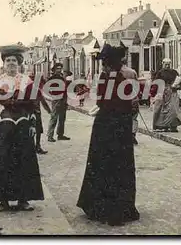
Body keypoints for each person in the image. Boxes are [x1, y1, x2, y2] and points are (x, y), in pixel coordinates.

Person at [0, 44, 44, 211]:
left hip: (23, 122)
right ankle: (2, 200)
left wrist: (34, 124)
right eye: (8, 60)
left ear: (19, 63)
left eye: (14, 60)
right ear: (3, 63)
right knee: (2, 159)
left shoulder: (27, 81)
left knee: (24, 159)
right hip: (4, 124)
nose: (11, 63)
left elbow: (34, 105)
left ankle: (23, 200)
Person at [77, 44, 139, 226]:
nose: (103, 66)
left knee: (103, 165)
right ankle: (119, 207)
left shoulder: (107, 78)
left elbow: (102, 101)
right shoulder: (120, 78)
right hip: (120, 128)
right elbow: (130, 104)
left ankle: (102, 207)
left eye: (105, 63)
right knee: (120, 166)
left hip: (105, 127)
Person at [152, 58, 181, 132]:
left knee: (173, 110)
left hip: (172, 92)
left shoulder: (174, 72)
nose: (167, 66)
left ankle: (173, 126)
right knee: (160, 109)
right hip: (162, 92)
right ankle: (162, 126)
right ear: (163, 64)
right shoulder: (160, 73)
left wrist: (176, 86)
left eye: (169, 64)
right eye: (166, 64)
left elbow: (180, 84)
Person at [46, 63, 71, 142]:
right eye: (57, 68)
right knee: (54, 117)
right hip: (56, 99)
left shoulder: (62, 77)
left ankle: (60, 134)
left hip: (63, 99)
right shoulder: (52, 78)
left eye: (60, 68)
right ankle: (50, 136)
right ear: (54, 69)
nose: (59, 70)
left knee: (62, 118)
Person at [29, 72, 51, 154]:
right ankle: (35, 147)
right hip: (32, 113)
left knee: (37, 130)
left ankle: (37, 147)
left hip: (34, 113)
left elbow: (43, 101)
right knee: (34, 131)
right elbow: (43, 102)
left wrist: (49, 110)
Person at [120, 55, 140, 145]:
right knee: (134, 118)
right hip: (133, 98)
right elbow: (137, 85)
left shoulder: (116, 72)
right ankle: (132, 133)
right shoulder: (132, 72)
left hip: (121, 99)